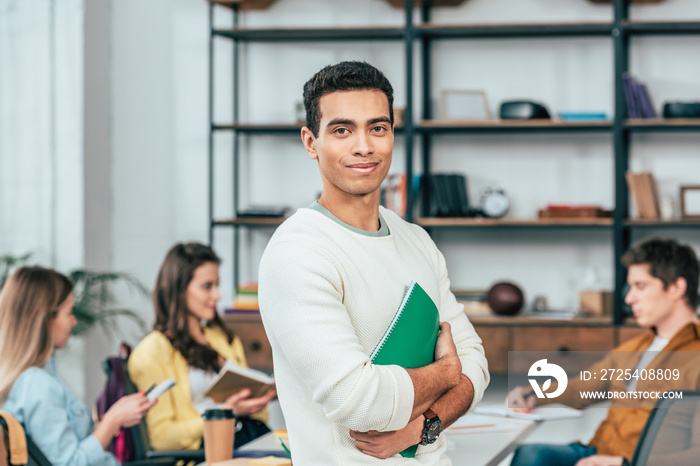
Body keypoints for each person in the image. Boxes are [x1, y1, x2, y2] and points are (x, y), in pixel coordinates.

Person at [257, 61, 489, 464]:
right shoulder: (298, 252)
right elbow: (359, 401)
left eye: (378, 128)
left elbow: (477, 365)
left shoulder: (416, 240)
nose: (364, 145)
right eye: (342, 130)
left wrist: (422, 427)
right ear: (311, 142)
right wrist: (446, 373)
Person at [507, 237, 700, 466]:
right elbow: (581, 388)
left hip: (642, 462)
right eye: (630, 287)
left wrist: (625, 464)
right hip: (597, 452)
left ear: (677, 287)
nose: (629, 298)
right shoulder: (634, 348)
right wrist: (532, 394)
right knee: (532, 455)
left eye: (641, 286)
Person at [0, 266, 155, 466]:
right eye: (69, 312)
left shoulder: (34, 379)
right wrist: (111, 423)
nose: (74, 321)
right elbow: (70, 463)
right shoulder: (37, 385)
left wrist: (109, 420)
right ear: (45, 319)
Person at [128, 242, 276, 452]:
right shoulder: (151, 352)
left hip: (246, 440)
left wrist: (256, 402)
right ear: (179, 289)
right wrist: (225, 412)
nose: (217, 295)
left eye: (217, 284)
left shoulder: (224, 339)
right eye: (207, 286)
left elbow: (262, 417)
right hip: (203, 454)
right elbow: (162, 438)